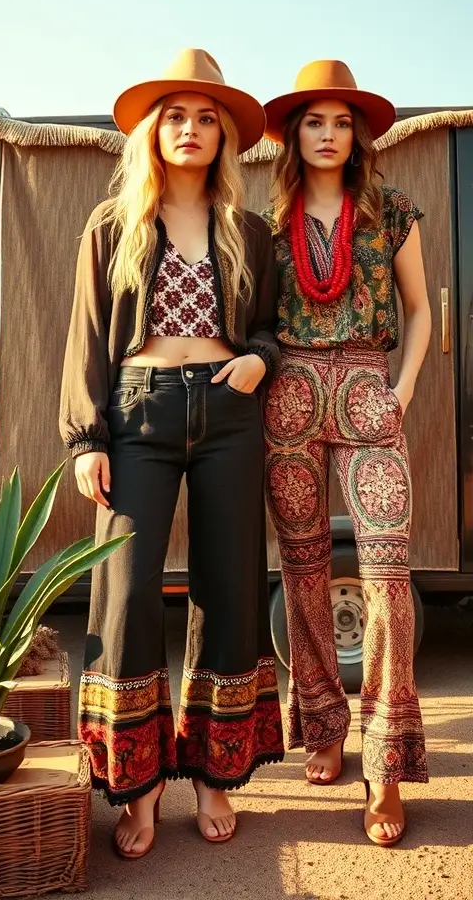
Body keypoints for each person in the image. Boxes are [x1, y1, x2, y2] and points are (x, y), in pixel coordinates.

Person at [60, 48, 284, 859]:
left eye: (206, 118)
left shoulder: (248, 230)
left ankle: (215, 775)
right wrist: (86, 438)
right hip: (138, 412)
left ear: (225, 137)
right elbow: (85, 338)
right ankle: (140, 783)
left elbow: (266, 326)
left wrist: (259, 357)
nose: (191, 129)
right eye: (177, 116)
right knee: (125, 596)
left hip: (228, 409)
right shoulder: (111, 225)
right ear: (154, 132)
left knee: (228, 585)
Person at [261, 60, 431, 847]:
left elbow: (423, 310)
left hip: (368, 384)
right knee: (302, 567)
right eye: (313, 121)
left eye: (339, 121)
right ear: (296, 133)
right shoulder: (273, 216)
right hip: (291, 388)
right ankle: (323, 724)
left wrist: (400, 392)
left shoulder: (391, 212)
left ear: (356, 132)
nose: (327, 134)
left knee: (388, 577)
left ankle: (385, 764)